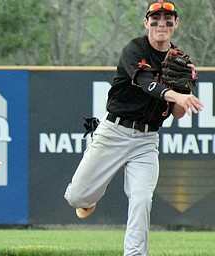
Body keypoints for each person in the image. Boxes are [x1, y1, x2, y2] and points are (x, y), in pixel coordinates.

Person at [64, 1, 203, 255]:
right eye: (156, 18)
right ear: (146, 22)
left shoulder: (179, 59)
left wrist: (185, 89)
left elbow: (179, 114)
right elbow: (146, 82)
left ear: (176, 24)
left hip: (147, 141)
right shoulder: (134, 49)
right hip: (114, 132)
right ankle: (88, 199)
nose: (162, 23)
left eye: (168, 19)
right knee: (76, 198)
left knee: (141, 199)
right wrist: (176, 94)